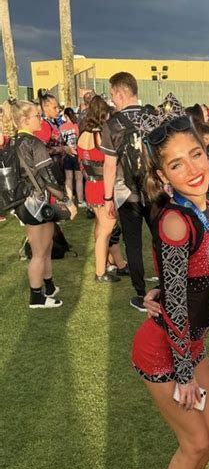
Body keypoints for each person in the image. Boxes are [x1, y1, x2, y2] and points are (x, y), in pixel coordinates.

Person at [132, 98, 209, 469]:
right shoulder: (174, 220)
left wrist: (160, 293)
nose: (191, 168)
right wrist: (185, 375)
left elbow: (180, 282)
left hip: (192, 343)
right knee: (193, 440)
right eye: (175, 163)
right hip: (166, 350)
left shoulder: (205, 210)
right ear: (162, 176)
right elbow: (176, 291)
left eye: (196, 155)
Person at [1, 99, 76, 307]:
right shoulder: (33, 143)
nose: (40, 120)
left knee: (47, 245)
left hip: (25, 202)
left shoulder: (13, 141)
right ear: (24, 119)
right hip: (35, 203)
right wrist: (67, 200)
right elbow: (48, 177)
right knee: (39, 252)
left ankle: (49, 285)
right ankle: (36, 296)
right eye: (36, 116)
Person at [101, 72, 152, 311]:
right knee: (164, 239)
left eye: (113, 95)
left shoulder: (112, 124)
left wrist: (108, 197)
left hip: (125, 192)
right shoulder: (154, 116)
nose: (112, 100)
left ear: (121, 93)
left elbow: (110, 164)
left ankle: (142, 295)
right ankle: (169, 288)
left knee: (133, 244)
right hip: (156, 190)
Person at [77, 95, 128, 283]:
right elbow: (110, 164)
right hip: (103, 186)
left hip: (90, 184)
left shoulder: (83, 135)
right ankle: (101, 272)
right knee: (107, 230)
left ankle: (106, 263)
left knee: (100, 227)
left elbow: (81, 162)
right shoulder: (101, 136)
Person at [60, 107, 85, 207]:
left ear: (66, 116)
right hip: (76, 154)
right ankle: (80, 200)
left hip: (67, 155)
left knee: (68, 178)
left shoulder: (61, 127)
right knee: (79, 178)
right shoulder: (77, 126)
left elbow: (61, 141)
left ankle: (69, 200)